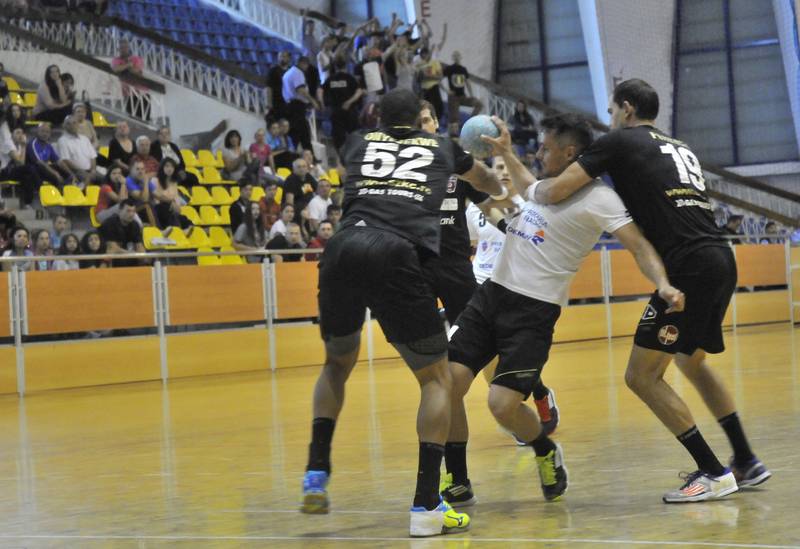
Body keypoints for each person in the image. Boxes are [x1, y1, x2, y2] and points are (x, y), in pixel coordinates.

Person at [517, 78, 770, 502]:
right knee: (691, 362)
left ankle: (713, 473)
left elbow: (557, 189)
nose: (611, 118)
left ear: (627, 109)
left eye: (612, 110)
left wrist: (528, 188)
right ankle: (745, 459)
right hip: (720, 258)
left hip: (688, 266)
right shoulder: (679, 146)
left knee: (641, 376)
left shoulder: (619, 142)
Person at [443, 112, 684, 508]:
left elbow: (639, 245)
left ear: (570, 152)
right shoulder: (544, 187)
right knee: (448, 384)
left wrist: (663, 283)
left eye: (546, 148)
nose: (539, 154)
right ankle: (457, 479)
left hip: (533, 313)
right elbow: (522, 183)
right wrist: (505, 152)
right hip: (490, 296)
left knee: (501, 406)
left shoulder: (600, 199)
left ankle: (543, 448)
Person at [300, 88, 505, 538]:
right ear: (419, 118)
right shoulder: (441, 147)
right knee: (437, 380)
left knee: (336, 365)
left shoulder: (356, 142)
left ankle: (316, 470)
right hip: (394, 253)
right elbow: (488, 184)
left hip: (340, 249)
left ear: (377, 118)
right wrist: (494, 177)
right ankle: (427, 505)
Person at [322, 57, 364, 151]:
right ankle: (355, 153)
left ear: (335, 67)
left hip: (336, 111)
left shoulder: (330, 79)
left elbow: (320, 90)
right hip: (350, 111)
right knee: (355, 135)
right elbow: (359, 91)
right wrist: (349, 102)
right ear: (345, 66)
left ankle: (341, 155)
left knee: (338, 138)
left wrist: (322, 104)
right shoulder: (349, 78)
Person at [282, 56, 320, 151]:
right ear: (303, 63)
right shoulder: (298, 73)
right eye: (306, 65)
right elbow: (301, 90)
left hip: (289, 105)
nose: (307, 68)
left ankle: (295, 152)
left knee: (295, 133)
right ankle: (310, 155)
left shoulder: (288, 73)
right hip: (297, 106)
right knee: (304, 133)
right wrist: (313, 101)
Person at [0, 126, 41, 209]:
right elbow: (21, 163)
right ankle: (40, 188)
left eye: (22, 133)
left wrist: (22, 146)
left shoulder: (18, 146)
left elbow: (20, 165)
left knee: (27, 176)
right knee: (29, 168)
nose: (20, 135)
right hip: (3, 173)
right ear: (11, 135)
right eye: (18, 133)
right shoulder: (7, 144)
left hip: (12, 171)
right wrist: (23, 146)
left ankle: (27, 202)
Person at [444, 51, 482, 137]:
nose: (456, 57)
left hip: (462, 96)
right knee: (454, 119)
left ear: (460, 57)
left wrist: (471, 94)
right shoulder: (449, 68)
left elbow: (467, 83)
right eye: (455, 56)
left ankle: (469, 123)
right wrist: (446, 90)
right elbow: (438, 79)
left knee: (479, 104)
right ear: (452, 58)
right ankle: (453, 134)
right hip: (453, 97)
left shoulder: (463, 69)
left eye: (458, 55)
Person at [111, 38, 150, 120]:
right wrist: (129, 65)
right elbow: (116, 69)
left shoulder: (136, 58)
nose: (123, 50)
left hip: (142, 92)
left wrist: (123, 67)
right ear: (118, 49)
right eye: (121, 48)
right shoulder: (116, 60)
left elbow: (136, 71)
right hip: (128, 93)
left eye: (125, 47)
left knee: (145, 119)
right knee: (132, 118)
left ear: (128, 48)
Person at [26, 122, 74, 188]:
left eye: (47, 132)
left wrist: (71, 173)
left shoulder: (48, 146)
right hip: (35, 171)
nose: (45, 134)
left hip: (46, 170)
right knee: (44, 169)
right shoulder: (33, 144)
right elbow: (40, 163)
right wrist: (55, 173)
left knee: (63, 171)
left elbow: (58, 161)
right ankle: (58, 189)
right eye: (42, 131)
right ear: (37, 132)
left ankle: (68, 188)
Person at [99, 198, 146, 266]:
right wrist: (132, 254)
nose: (131, 214)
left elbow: (139, 246)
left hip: (126, 255)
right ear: (120, 211)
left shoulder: (135, 225)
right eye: (128, 211)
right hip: (108, 257)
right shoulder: (109, 223)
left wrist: (144, 257)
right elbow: (113, 248)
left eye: (133, 211)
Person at [151, 158, 190, 232]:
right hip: (159, 210)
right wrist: (171, 202)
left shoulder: (174, 183)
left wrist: (176, 207)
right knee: (165, 207)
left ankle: (187, 231)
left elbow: (177, 200)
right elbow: (157, 198)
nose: (170, 169)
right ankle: (178, 230)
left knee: (183, 218)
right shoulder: (154, 180)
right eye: (167, 166)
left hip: (171, 210)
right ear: (162, 168)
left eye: (172, 166)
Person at [56, 114, 97, 185]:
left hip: (90, 171)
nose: (72, 125)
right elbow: (65, 160)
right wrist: (81, 171)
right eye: (68, 123)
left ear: (78, 124)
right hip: (76, 171)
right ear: (64, 126)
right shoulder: (62, 141)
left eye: (74, 123)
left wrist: (93, 170)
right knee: (88, 179)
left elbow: (92, 156)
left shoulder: (85, 139)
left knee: (107, 179)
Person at [283, 157, 317, 224]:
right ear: (294, 169)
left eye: (304, 166)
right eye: (299, 167)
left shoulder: (308, 176)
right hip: (298, 209)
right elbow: (289, 203)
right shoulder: (290, 181)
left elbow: (318, 190)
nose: (302, 169)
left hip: (309, 205)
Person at [417, 48, 444, 125]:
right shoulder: (419, 65)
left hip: (433, 86)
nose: (424, 57)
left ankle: (437, 122)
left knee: (438, 106)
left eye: (425, 55)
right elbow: (418, 79)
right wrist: (422, 76)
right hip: (424, 89)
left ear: (428, 54)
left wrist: (430, 77)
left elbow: (440, 76)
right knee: (426, 108)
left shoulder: (434, 62)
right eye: (422, 55)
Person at [267, 50, 292, 121]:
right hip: (277, 103)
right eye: (280, 56)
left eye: (284, 56)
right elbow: (269, 87)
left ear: (288, 58)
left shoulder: (292, 71)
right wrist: (269, 103)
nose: (281, 58)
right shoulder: (273, 71)